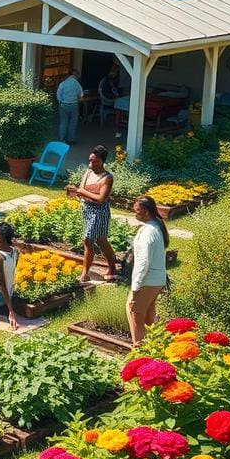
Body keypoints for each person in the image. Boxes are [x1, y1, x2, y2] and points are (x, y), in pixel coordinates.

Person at [68, 145, 116, 282]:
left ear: (101, 161)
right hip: (87, 209)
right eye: (90, 160)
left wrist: (82, 193)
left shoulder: (107, 178)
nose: (90, 164)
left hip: (99, 212)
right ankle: (112, 264)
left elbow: (101, 199)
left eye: (94, 161)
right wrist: (76, 193)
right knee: (101, 239)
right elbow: (81, 191)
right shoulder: (88, 173)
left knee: (87, 240)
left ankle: (85, 273)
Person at [127, 196, 169, 345]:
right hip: (156, 280)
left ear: (145, 211)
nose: (135, 214)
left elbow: (143, 262)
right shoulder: (156, 226)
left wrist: (136, 286)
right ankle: (154, 349)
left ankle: (138, 352)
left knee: (135, 316)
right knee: (148, 317)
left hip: (147, 281)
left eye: (137, 211)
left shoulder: (147, 233)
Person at [56, 70, 84, 144]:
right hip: (73, 104)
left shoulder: (63, 83)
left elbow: (58, 95)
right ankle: (71, 139)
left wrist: (61, 102)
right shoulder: (76, 84)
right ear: (76, 75)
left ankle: (62, 139)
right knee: (73, 122)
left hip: (63, 105)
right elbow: (81, 95)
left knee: (63, 122)